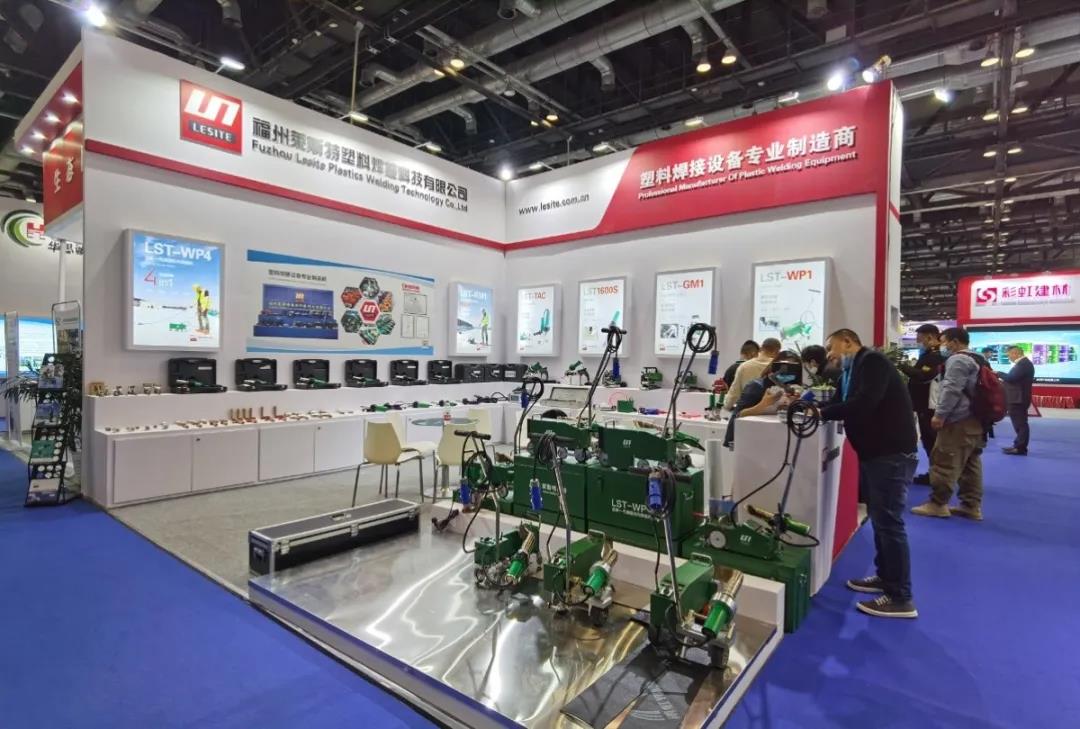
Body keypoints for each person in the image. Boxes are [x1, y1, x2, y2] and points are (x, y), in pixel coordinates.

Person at [820, 328, 918, 619]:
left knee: (889, 523)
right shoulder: (851, 371)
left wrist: (822, 413)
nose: (829, 355)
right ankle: (886, 578)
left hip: (891, 454)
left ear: (848, 341)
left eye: (831, 348)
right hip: (877, 454)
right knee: (880, 519)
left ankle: (901, 597)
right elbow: (840, 401)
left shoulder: (872, 362)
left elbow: (864, 404)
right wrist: (814, 407)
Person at [912, 327, 986, 521]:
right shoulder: (979, 358)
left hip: (958, 420)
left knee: (944, 460)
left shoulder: (958, 359)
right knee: (970, 463)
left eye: (944, 341)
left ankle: (938, 504)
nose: (941, 345)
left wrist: (940, 415)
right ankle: (971, 505)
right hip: (976, 420)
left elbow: (951, 389)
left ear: (954, 342)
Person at [723, 350, 802, 447]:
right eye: (783, 367)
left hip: (775, 440)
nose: (787, 371)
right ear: (774, 366)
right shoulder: (757, 386)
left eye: (792, 368)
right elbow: (739, 415)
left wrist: (794, 404)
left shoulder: (794, 390)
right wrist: (763, 404)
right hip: (749, 439)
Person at [897, 324, 945, 484]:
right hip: (923, 404)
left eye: (920, 339)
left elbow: (923, 376)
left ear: (929, 337)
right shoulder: (929, 355)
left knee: (931, 440)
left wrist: (902, 366)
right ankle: (935, 473)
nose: (918, 343)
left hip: (928, 405)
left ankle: (936, 476)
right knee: (928, 440)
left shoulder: (935, 356)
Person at [724, 338, 780, 410]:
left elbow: (733, 395)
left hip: (747, 411)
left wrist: (726, 407)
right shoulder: (779, 367)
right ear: (777, 351)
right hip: (772, 412)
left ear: (761, 348)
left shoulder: (744, 366)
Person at [999, 345, 1035, 455]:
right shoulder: (1023, 363)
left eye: (1009, 355)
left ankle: (1020, 448)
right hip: (1018, 398)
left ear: (1016, 353)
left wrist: (998, 373)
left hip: (1018, 399)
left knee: (1020, 424)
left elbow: (1011, 378)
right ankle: (1018, 445)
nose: (1008, 357)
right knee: (1019, 423)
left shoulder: (1023, 364)